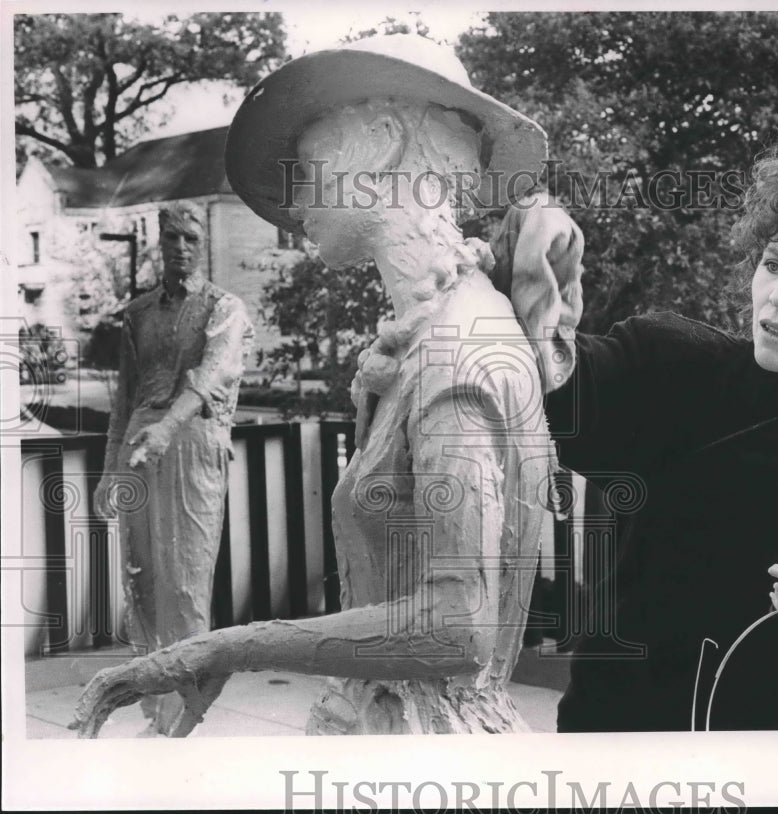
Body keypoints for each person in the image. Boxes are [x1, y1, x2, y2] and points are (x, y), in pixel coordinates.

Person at [73, 35, 558, 737]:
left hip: (423, 751)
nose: (293, 201)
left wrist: (229, 646)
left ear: (384, 143)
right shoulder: (428, 334)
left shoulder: (455, 352)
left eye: (304, 169)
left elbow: (459, 626)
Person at [493, 135, 778, 730]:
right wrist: (538, 270)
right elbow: (553, 384)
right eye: (774, 264)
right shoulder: (668, 364)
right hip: (616, 736)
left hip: (776, 758)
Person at [92, 200, 254, 736]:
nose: (180, 247)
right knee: (142, 581)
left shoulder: (224, 307)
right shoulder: (138, 313)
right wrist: (110, 469)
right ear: (159, 242)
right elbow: (124, 398)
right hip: (140, 447)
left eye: (191, 237)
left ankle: (188, 711)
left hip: (191, 445)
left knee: (186, 581)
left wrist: (166, 429)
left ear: (202, 243)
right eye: (171, 237)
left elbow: (212, 375)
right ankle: (155, 708)